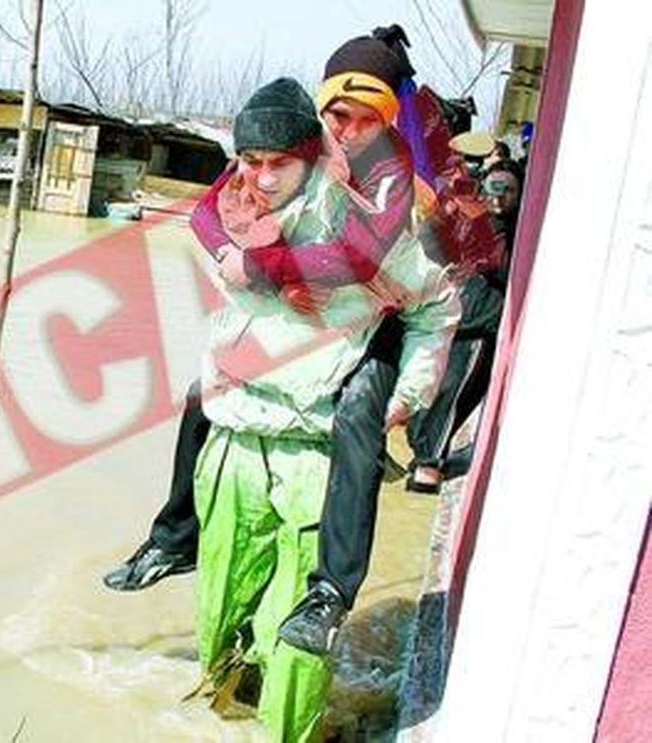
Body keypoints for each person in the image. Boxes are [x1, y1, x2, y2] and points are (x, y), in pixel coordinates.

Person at [106, 28, 435, 656]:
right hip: (298, 321)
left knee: (361, 414)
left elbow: (364, 262)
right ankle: (174, 538)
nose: (351, 129)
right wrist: (234, 251)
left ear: (389, 120)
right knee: (202, 392)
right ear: (321, 110)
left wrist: (260, 268)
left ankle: (331, 593)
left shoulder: (391, 174)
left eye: (370, 118)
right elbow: (207, 213)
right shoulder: (288, 151)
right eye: (339, 112)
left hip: (380, 311)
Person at [179, 77, 458, 741]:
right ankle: (222, 704)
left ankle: (286, 733)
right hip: (236, 438)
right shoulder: (237, 212)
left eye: (281, 163)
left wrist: (401, 398)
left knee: (300, 635)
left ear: (311, 154)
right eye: (253, 161)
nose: (265, 176)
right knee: (218, 603)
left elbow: (437, 306)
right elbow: (208, 233)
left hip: (316, 448)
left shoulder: (366, 231)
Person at [405, 159, 521, 490]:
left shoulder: (517, 232)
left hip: (480, 328)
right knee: (427, 391)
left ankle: (430, 464)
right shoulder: (469, 217)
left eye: (508, 189)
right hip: (448, 319)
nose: (499, 195)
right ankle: (424, 454)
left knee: (451, 395)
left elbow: (504, 269)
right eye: (493, 186)